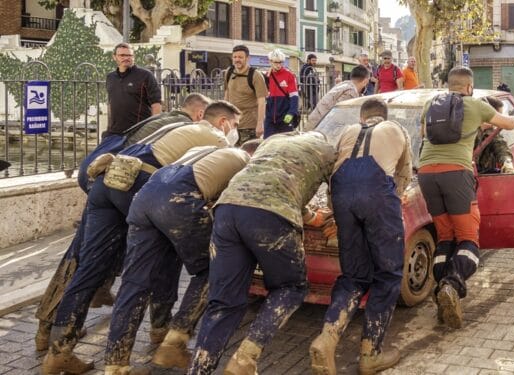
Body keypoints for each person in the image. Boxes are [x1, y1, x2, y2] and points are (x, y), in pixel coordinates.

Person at [41, 101, 239, 375]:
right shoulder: (216, 138)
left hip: (108, 181)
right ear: (223, 122)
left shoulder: (174, 127)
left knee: (90, 268)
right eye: (235, 125)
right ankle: (162, 331)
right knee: (166, 259)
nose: (235, 131)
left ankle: (59, 351)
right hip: (138, 183)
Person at [187, 131, 336, 375]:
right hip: (271, 215)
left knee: (224, 301)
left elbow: (274, 180)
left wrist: (309, 215)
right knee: (291, 287)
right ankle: (245, 359)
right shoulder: (328, 151)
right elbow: (334, 197)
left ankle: (198, 370)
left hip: (228, 210)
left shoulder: (274, 142)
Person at [104, 142, 259, 374]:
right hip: (179, 198)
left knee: (134, 281)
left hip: (145, 196)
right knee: (214, 267)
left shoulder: (208, 151)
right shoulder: (245, 160)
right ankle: (174, 343)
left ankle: (115, 363)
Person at [309, 98, 412, 375]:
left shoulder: (346, 132)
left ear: (362, 117)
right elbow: (404, 175)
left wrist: (338, 212)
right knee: (388, 274)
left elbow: (332, 173)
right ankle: (370, 354)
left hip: (342, 198)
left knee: (353, 275)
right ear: (384, 116)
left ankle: (328, 336)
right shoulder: (396, 130)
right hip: (378, 197)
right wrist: (388, 207)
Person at [417, 67, 514, 329]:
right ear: (469, 87)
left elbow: (423, 134)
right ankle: (452, 285)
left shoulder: (432, 104)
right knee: (468, 239)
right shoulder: (476, 105)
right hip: (456, 174)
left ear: (449, 84)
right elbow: (508, 124)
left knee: (445, 237)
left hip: (426, 174)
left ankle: (441, 287)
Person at [105, 42, 162, 138]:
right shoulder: (110, 77)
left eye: (129, 55)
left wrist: (152, 130)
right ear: (114, 57)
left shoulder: (145, 75)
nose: (126, 58)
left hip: (138, 132)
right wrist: (108, 127)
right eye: (122, 55)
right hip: (114, 133)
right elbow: (110, 104)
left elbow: (156, 105)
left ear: (133, 57)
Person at [305, 65, 371, 131]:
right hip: (318, 129)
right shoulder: (351, 92)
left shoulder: (345, 84)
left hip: (314, 123)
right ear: (365, 81)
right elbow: (342, 118)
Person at [224, 44, 268, 143]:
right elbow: (226, 95)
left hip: (250, 126)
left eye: (240, 57)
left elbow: (262, 102)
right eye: (235, 57)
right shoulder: (229, 72)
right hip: (233, 125)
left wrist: (260, 124)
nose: (237, 60)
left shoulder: (256, 75)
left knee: (248, 156)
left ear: (247, 58)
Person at [264, 49, 300, 138]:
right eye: (276, 62)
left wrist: (291, 113)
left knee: (285, 144)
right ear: (270, 62)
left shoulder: (289, 75)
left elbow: (294, 96)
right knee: (267, 142)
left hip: (285, 117)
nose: (278, 65)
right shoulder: (266, 76)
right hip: (270, 118)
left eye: (281, 62)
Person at [475, 96, 514, 174]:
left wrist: (507, 162)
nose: (499, 121)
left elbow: (500, 146)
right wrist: (480, 129)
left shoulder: (489, 131)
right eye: (498, 116)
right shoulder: (465, 127)